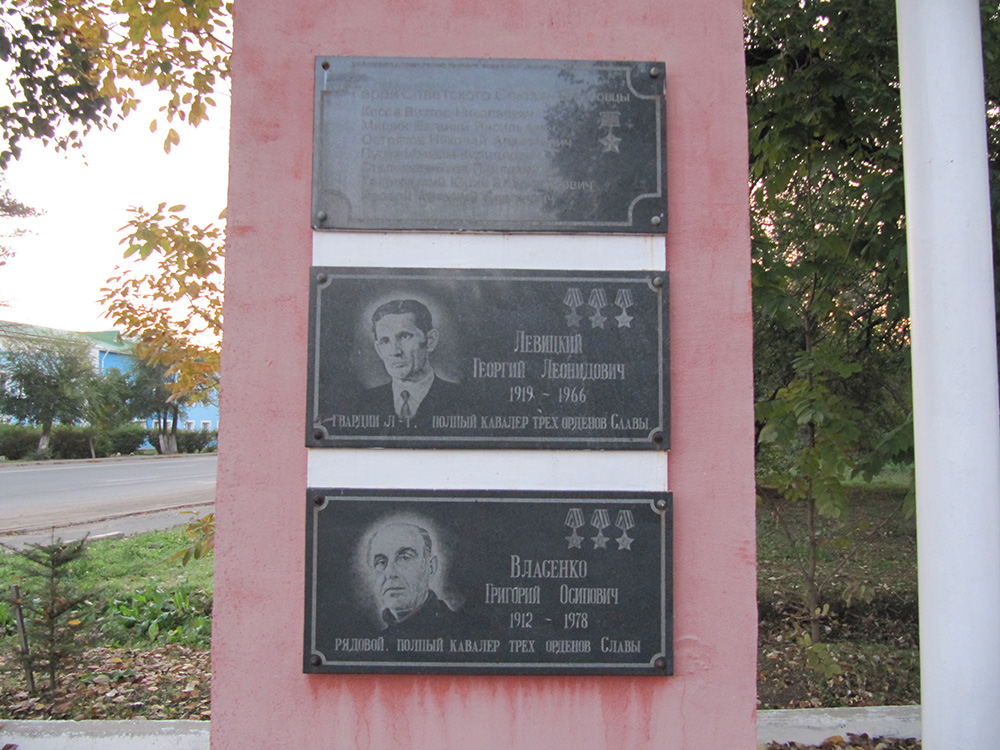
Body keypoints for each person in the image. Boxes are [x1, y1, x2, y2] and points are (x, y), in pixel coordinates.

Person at [358, 299, 463, 427]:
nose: (395, 351)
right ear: (379, 350)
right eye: (385, 341)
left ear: (430, 340)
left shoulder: (462, 400)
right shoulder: (362, 403)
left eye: (404, 336)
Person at [367, 522, 457, 633]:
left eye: (405, 558)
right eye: (381, 562)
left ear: (431, 567)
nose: (390, 573)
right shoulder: (379, 641)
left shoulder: (460, 631)